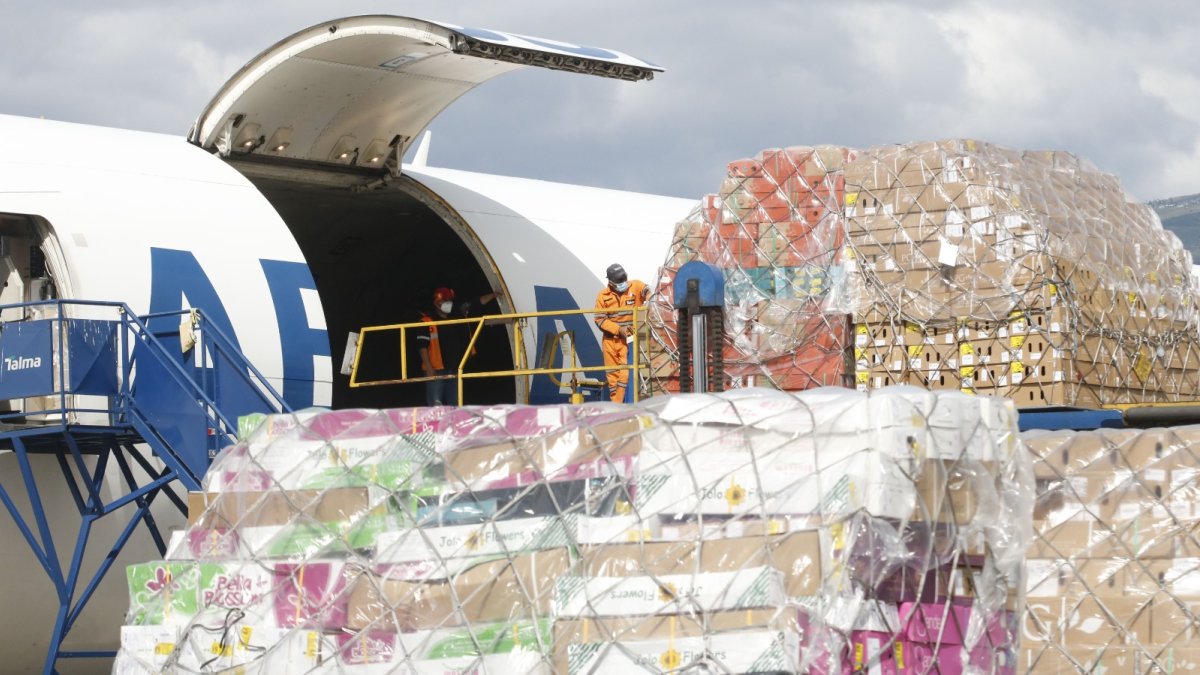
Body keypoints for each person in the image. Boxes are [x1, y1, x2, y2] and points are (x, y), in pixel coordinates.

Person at [415, 286, 501, 405]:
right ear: (437, 303)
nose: (449, 304)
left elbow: (475, 303)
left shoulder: (456, 315)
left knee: (455, 404)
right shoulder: (427, 322)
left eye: (450, 301)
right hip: (435, 371)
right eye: (445, 301)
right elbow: (422, 347)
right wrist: (429, 369)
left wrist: (494, 294)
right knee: (436, 406)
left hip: (454, 369)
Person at [594, 263, 649, 403]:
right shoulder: (603, 296)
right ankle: (617, 405)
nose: (623, 283)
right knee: (612, 378)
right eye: (619, 281)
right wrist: (619, 329)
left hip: (628, 341)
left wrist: (650, 298)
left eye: (624, 279)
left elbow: (647, 291)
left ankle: (624, 404)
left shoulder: (635, 286)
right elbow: (600, 320)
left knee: (625, 374)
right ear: (610, 282)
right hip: (610, 341)